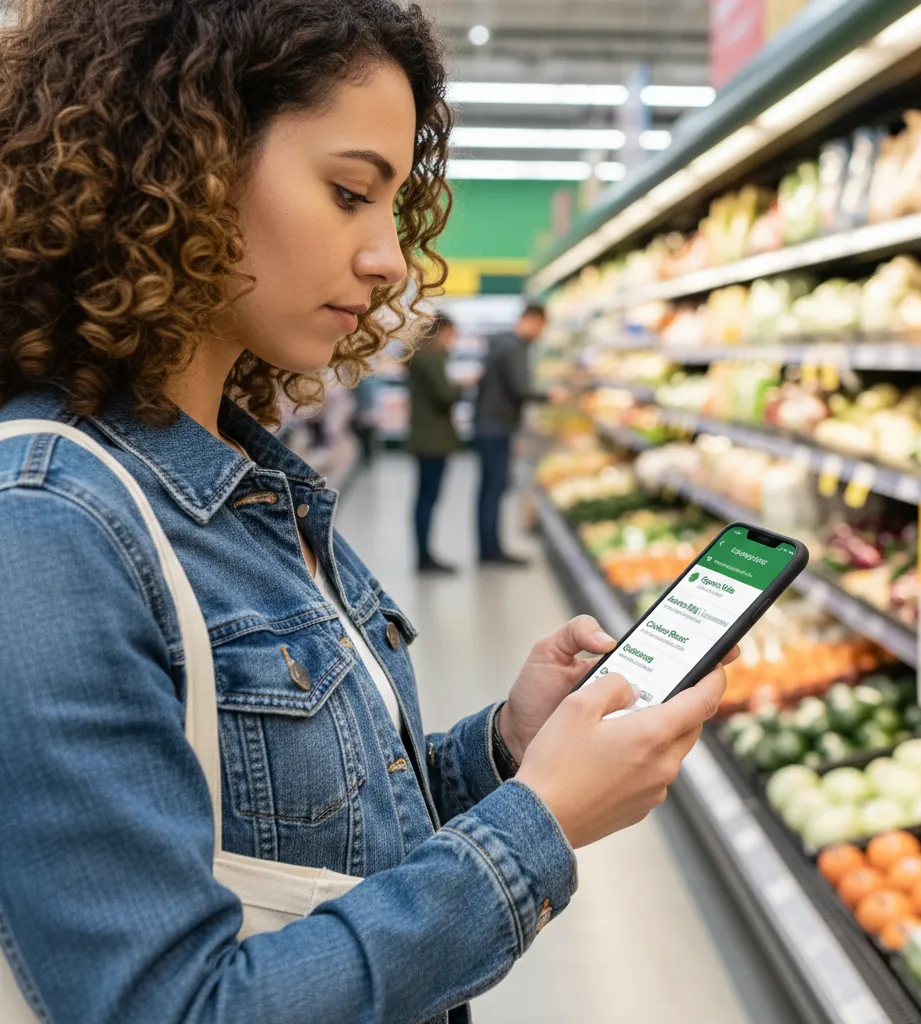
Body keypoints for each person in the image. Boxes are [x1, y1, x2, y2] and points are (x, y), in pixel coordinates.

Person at [0, 2, 735, 1022]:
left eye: (393, 208)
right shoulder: (50, 529)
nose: (390, 258)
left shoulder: (242, 484)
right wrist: (541, 821)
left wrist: (507, 752)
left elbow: (307, 835)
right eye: (350, 193)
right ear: (182, 163)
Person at [474, 302, 557, 566]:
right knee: (494, 489)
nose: (541, 332)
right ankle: (491, 551)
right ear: (531, 319)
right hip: (496, 427)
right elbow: (520, 388)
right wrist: (550, 395)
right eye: (542, 326)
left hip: (491, 425)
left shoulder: (504, 344)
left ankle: (491, 548)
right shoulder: (513, 347)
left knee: (491, 488)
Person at [408, 312, 463, 574]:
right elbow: (445, 395)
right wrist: (461, 386)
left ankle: (424, 554)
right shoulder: (432, 358)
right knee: (428, 498)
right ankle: (425, 557)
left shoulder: (421, 356)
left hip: (424, 437)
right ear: (443, 332)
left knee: (424, 497)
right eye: (452, 334)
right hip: (433, 439)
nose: (454, 339)